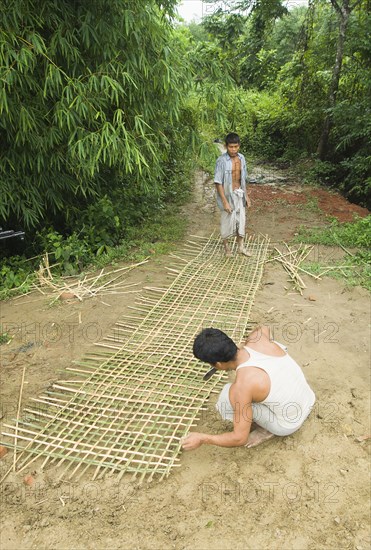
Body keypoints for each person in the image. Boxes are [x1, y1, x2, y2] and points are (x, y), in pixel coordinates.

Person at [181, 325, 315, 451]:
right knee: (256, 389)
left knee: (226, 397)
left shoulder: (242, 387)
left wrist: (203, 438)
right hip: (308, 399)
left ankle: (266, 430)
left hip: (289, 424)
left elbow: (239, 438)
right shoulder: (257, 338)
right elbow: (264, 328)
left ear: (218, 364)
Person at [214, 132, 252, 257]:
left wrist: (246, 195)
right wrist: (224, 201)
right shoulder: (221, 161)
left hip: (239, 194)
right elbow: (218, 182)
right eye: (231, 147)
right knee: (226, 221)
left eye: (236, 146)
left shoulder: (242, 158)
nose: (233, 149)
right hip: (227, 195)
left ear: (239, 146)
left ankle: (241, 247)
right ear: (226, 146)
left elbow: (243, 178)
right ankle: (227, 249)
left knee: (241, 221)